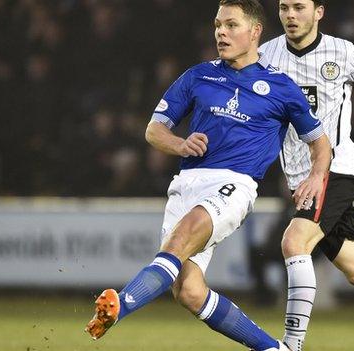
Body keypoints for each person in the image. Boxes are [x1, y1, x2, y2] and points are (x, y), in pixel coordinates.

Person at [84, 1, 332, 350]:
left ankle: (119, 305)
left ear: (255, 31)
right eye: (218, 25)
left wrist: (316, 176)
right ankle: (274, 349)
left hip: (235, 184)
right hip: (186, 183)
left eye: (231, 25)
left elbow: (320, 143)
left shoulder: (281, 87)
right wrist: (180, 144)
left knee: (181, 238)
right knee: (188, 290)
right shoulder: (198, 76)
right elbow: (154, 130)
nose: (221, 32)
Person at [259, 1, 354, 350]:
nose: (291, 15)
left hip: (335, 170)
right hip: (298, 180)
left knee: (294, 243)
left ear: (319, 12)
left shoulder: (343, 53)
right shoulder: (266, 56)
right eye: (284, 8)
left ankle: (290, 345)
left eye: (299, 7)